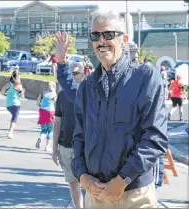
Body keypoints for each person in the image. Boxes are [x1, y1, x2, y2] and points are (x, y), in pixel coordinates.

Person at [54, 9, 168, 208]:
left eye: (108, 34)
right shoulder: (88, 86)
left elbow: (155, 138)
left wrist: (123, 179)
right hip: (95, 195)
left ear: (123, 39)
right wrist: (82, 175)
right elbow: (79, 137)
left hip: (134, 195)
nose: (101, 41)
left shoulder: (146, 78)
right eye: (95, 35)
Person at [52, 62, 86, 209]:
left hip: (85, 147)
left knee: (90, 184)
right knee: (73, 183)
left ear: (83, 75)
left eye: (75, 74)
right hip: (65, 145)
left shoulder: (88, 95)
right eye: (70, 74)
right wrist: (54, 148)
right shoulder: (61, 95)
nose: (71, 77)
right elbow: (57, 122)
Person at [0, 68, 25, 139]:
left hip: (8, 104)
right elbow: (22, 96)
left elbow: (2, 93)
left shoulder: (8, 84)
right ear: (16, 78)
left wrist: (7, 95)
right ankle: (10, 132)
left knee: (13, 116)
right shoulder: (19, 86)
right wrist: (21, 93)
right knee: (14, 118)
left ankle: (10, 131)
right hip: (16, 104)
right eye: (18, 77)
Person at [35, 81, 57, 151]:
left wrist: (40, 105)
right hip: (50, 113)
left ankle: (41, 138)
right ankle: (47, 147)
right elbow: (56, 104)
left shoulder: (44, 93)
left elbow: (38, 102)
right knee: (50, 130)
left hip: (42, 112)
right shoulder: (54, 94)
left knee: (44, 130)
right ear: (54, 87)